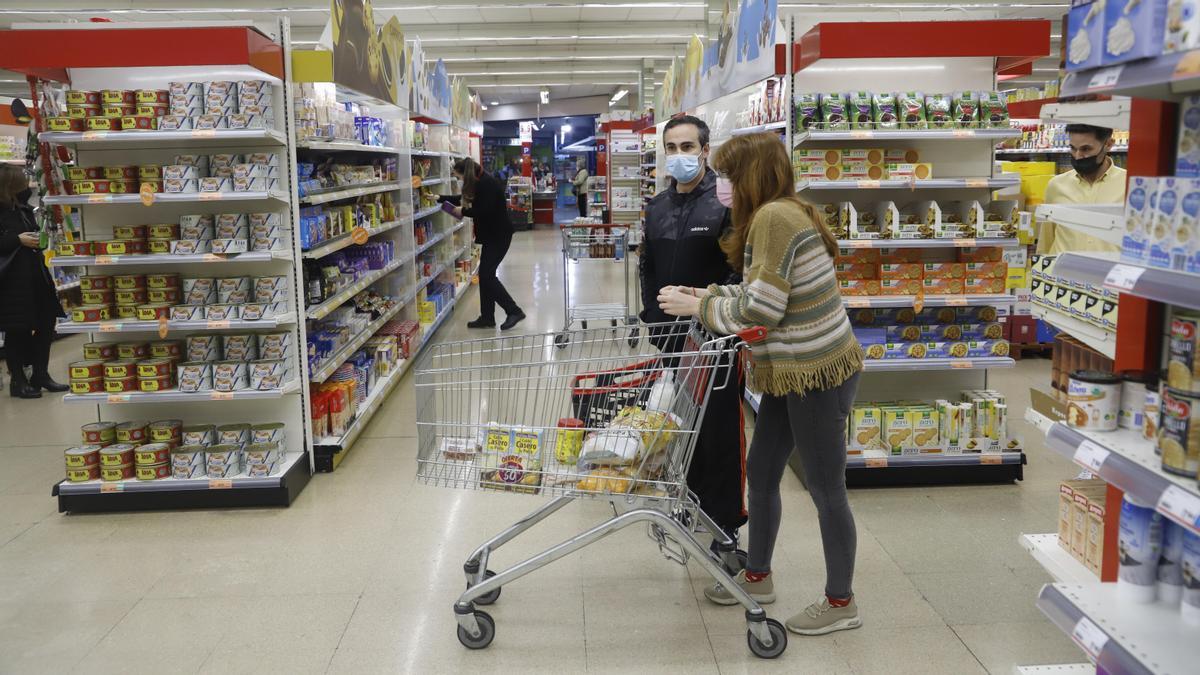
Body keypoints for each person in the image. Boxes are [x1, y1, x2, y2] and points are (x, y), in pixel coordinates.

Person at [657, 132, 864, 637]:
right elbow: (761, 290)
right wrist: (707, 291)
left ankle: (841, 601)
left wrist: (698, 307)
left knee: (825, 488)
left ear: (750, 176)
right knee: (765, 470)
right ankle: (760, 575)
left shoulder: (775, 218)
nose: (721, 184)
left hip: (815, 371)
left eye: (728, 174)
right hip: (788, 370)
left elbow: (762, 312)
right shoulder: (782, 211)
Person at [639, 115, 747, 556]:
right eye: (672, 147)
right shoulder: (657, 206)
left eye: (688, 147)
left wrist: (713, 313)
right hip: (671, 337)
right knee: (682, 425)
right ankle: (693, 499)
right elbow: (647, 264)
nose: (679, 155)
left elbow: (737, 271)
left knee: (719, 431)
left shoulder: (724, 204)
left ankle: (725, 520)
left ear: (705, 150)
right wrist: (652, 317)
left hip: (715, 337)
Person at [0, 164, 67, 398]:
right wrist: (16, 240)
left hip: (35, 275)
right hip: (11, 282)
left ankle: (41, 374)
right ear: (8, 185)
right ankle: (17, 381)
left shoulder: (24, 209)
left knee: (46, 323)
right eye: (20, 179)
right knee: (17, 330)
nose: (25, 182)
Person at [439, 158, 526, 331]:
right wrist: (440, 198)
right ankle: (487, 317)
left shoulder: (487, 184)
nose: (460, 181)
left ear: (466, 174)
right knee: (485, 276)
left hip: (499, 236)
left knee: (486, 276)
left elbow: (484, 211)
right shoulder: (480, 182)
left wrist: (462, 211)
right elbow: (463, 198)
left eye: (459, 177)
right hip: (491, 236)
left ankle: (514, 311)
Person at [1038, 123, 1127, 254]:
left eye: (1086, 149)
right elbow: (1046, 239)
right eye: (1073, 148)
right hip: (1063, 272)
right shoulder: (1056, 185)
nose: (1078, 156)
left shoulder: (1129, 185)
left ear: (1108, 144)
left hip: (1109, 272)